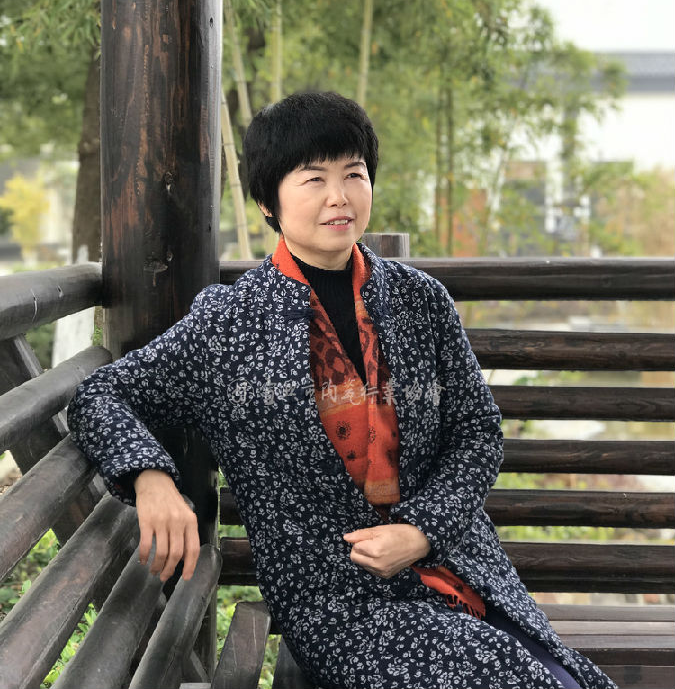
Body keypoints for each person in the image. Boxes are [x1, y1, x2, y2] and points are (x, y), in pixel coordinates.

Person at [68, 91, 616, 689]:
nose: (339, 196)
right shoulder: (228, 323)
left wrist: (421, 531)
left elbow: (477, 432)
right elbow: (101, 395)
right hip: (338, 603)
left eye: (354, 174)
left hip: (455, 564)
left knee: (562, 678)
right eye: (314, 178)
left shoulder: (419, 300)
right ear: (268, 202)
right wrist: (150, 478)